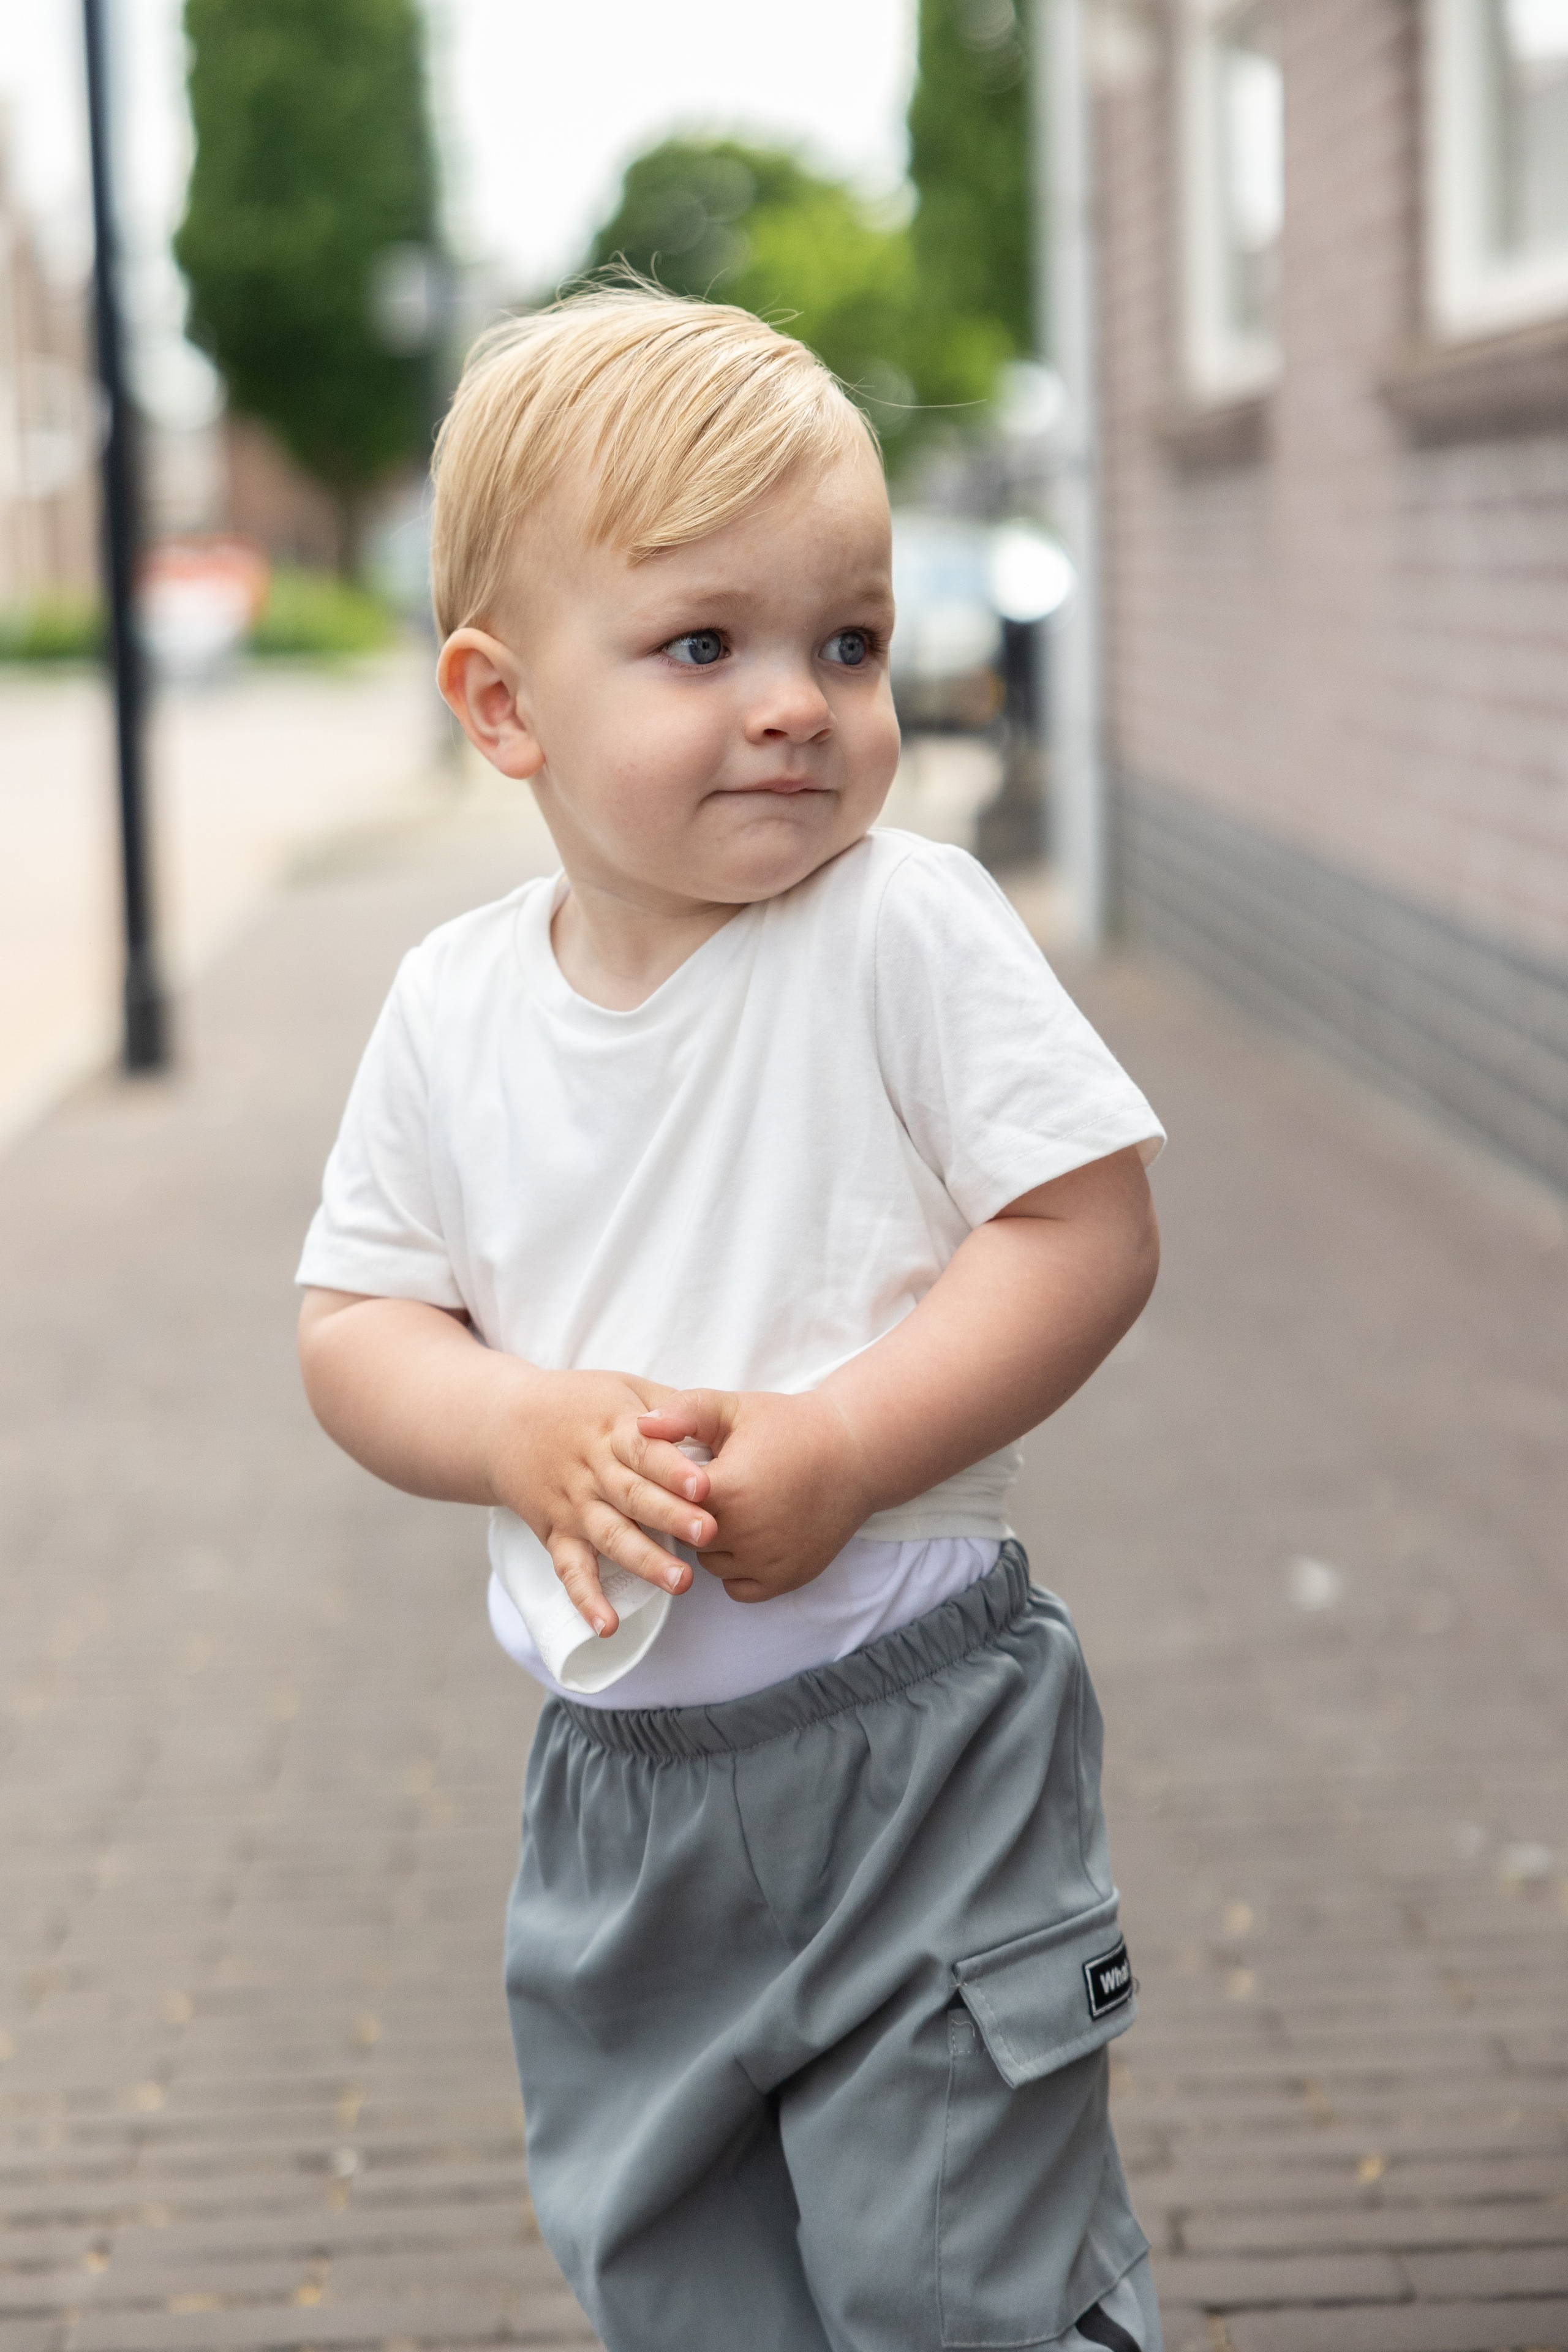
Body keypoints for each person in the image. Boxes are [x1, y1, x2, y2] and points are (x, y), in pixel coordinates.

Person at [296, 285, 1166, 2352]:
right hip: (624, 1795)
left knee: (957, 2281)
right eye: (706, 646)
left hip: (920, 1743)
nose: (798, 705)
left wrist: (850, 1445)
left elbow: (1085, 1226)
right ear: (503, 705)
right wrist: (512, 1431)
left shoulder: (903, 927)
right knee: (679, 2272)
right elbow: (357, 1319)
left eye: (846, 644)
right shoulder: (453, 1009)